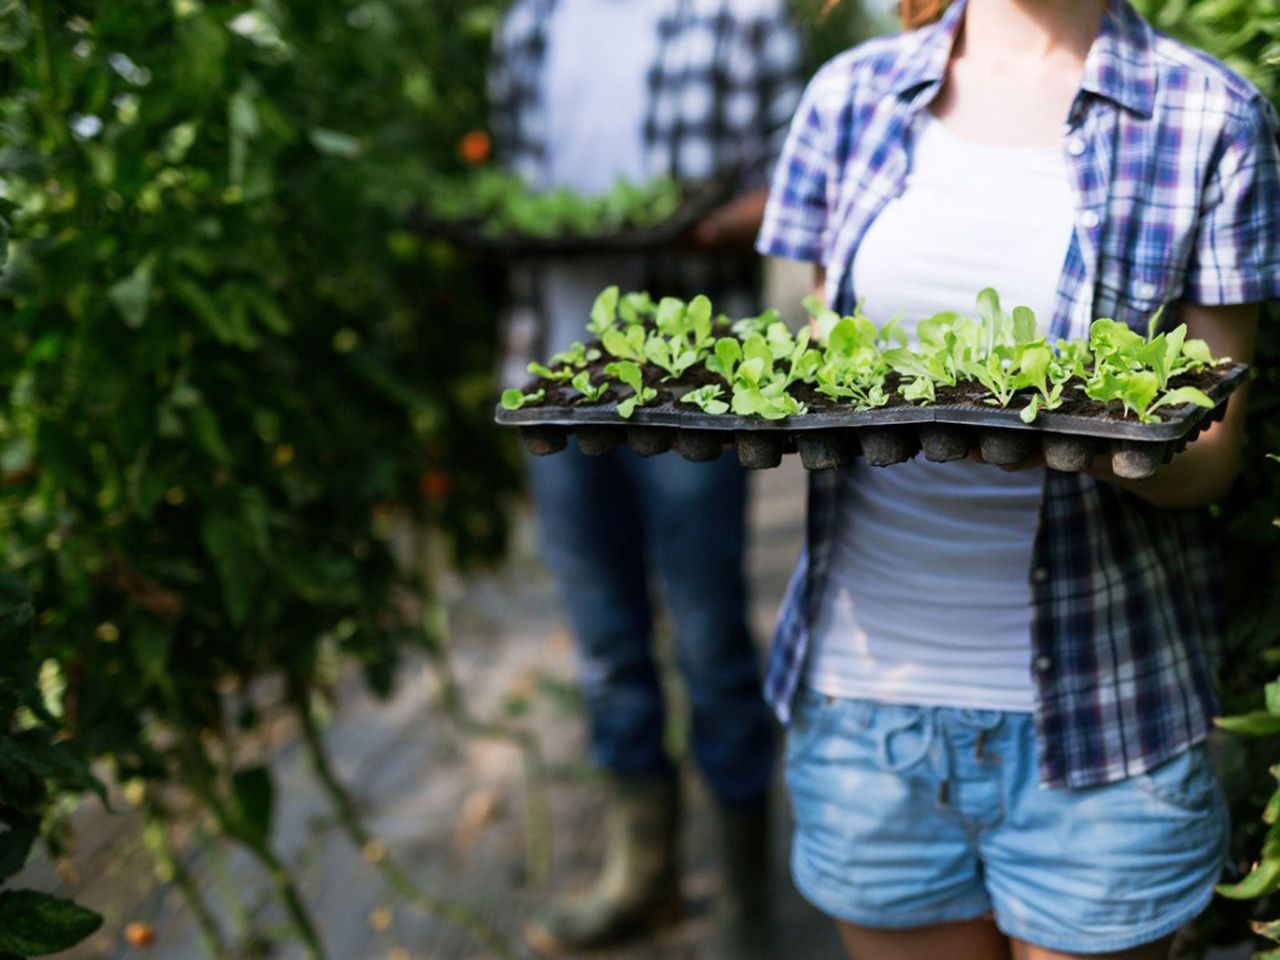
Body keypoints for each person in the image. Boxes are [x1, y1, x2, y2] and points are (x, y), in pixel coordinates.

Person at [756, 1, 1280, 958]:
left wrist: (1085, 438)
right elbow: (786, 352)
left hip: (1106, 719)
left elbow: (1211, 458)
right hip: (867, 706)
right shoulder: (850, 97)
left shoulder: (1210, 114)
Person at [487, 1, 804, 955]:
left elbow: (796, 181)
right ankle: (647, 875)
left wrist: (693, 224)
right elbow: (512, 185)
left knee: (709, 638)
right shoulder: (530, 21)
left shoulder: (740, 15)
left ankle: (747, 898)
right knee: (606, 645)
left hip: (690, 387)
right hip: (551, 373)